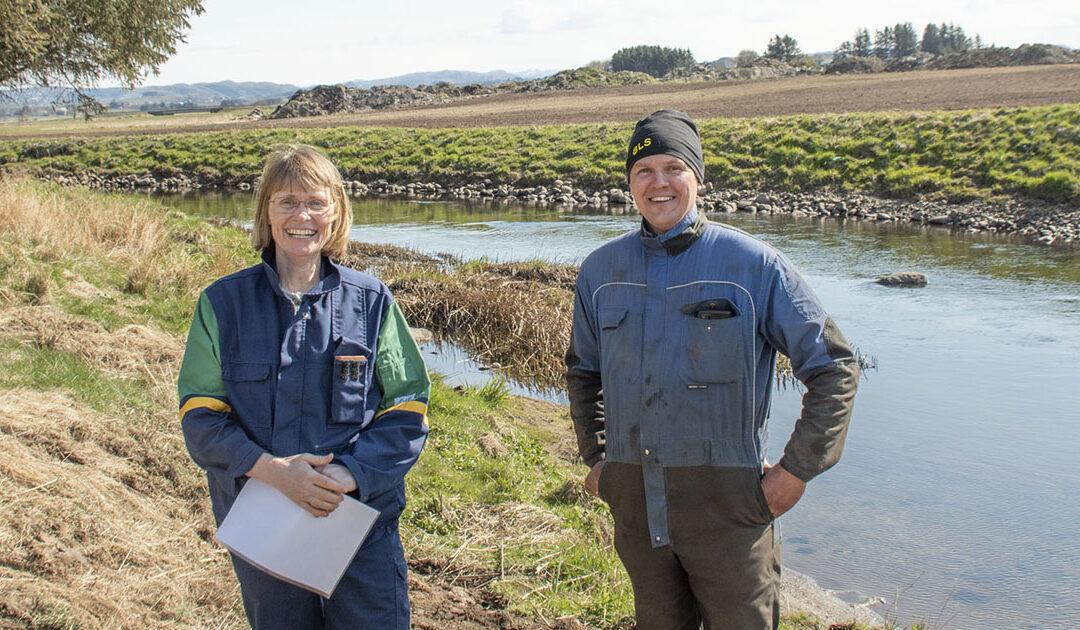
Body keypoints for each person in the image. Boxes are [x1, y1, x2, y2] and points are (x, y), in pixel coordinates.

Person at [565, 110, 858, 630]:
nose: (658, 183)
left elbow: (834, 366)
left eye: (673, 168)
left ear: (697, 178)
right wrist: (598, 458)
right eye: (643, 171)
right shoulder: (600, 272)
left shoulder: (753, 265)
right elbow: (584, 373)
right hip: (635, 507)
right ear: (629, 183)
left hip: (729, 511)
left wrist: (796, 471)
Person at [177, 144, 429, 629]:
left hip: (359, 524)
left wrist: (350, 474)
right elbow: (200, 417)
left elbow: (408, 405)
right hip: (263, 522)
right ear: (265, 213)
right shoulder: (221, 304)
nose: (302, 216)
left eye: (316, 202)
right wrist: (276, 473)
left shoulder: (372, 301)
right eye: (287, 202)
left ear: (336, 213)